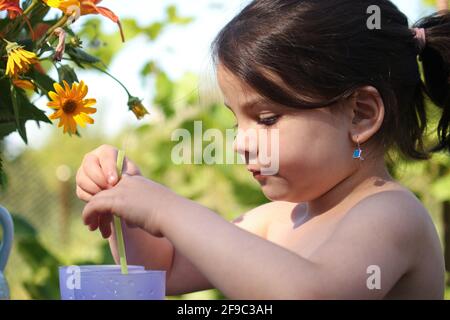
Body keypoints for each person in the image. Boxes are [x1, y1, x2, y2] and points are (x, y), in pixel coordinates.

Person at [76, 0, 449, 299]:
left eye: (267, 118)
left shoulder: (390, 215)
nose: (239, 143)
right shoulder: (277, 219)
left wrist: (167, 208)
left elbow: (310, 293)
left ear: (360, 116)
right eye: (237, 121)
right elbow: (163, 271)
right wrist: (126, 200)